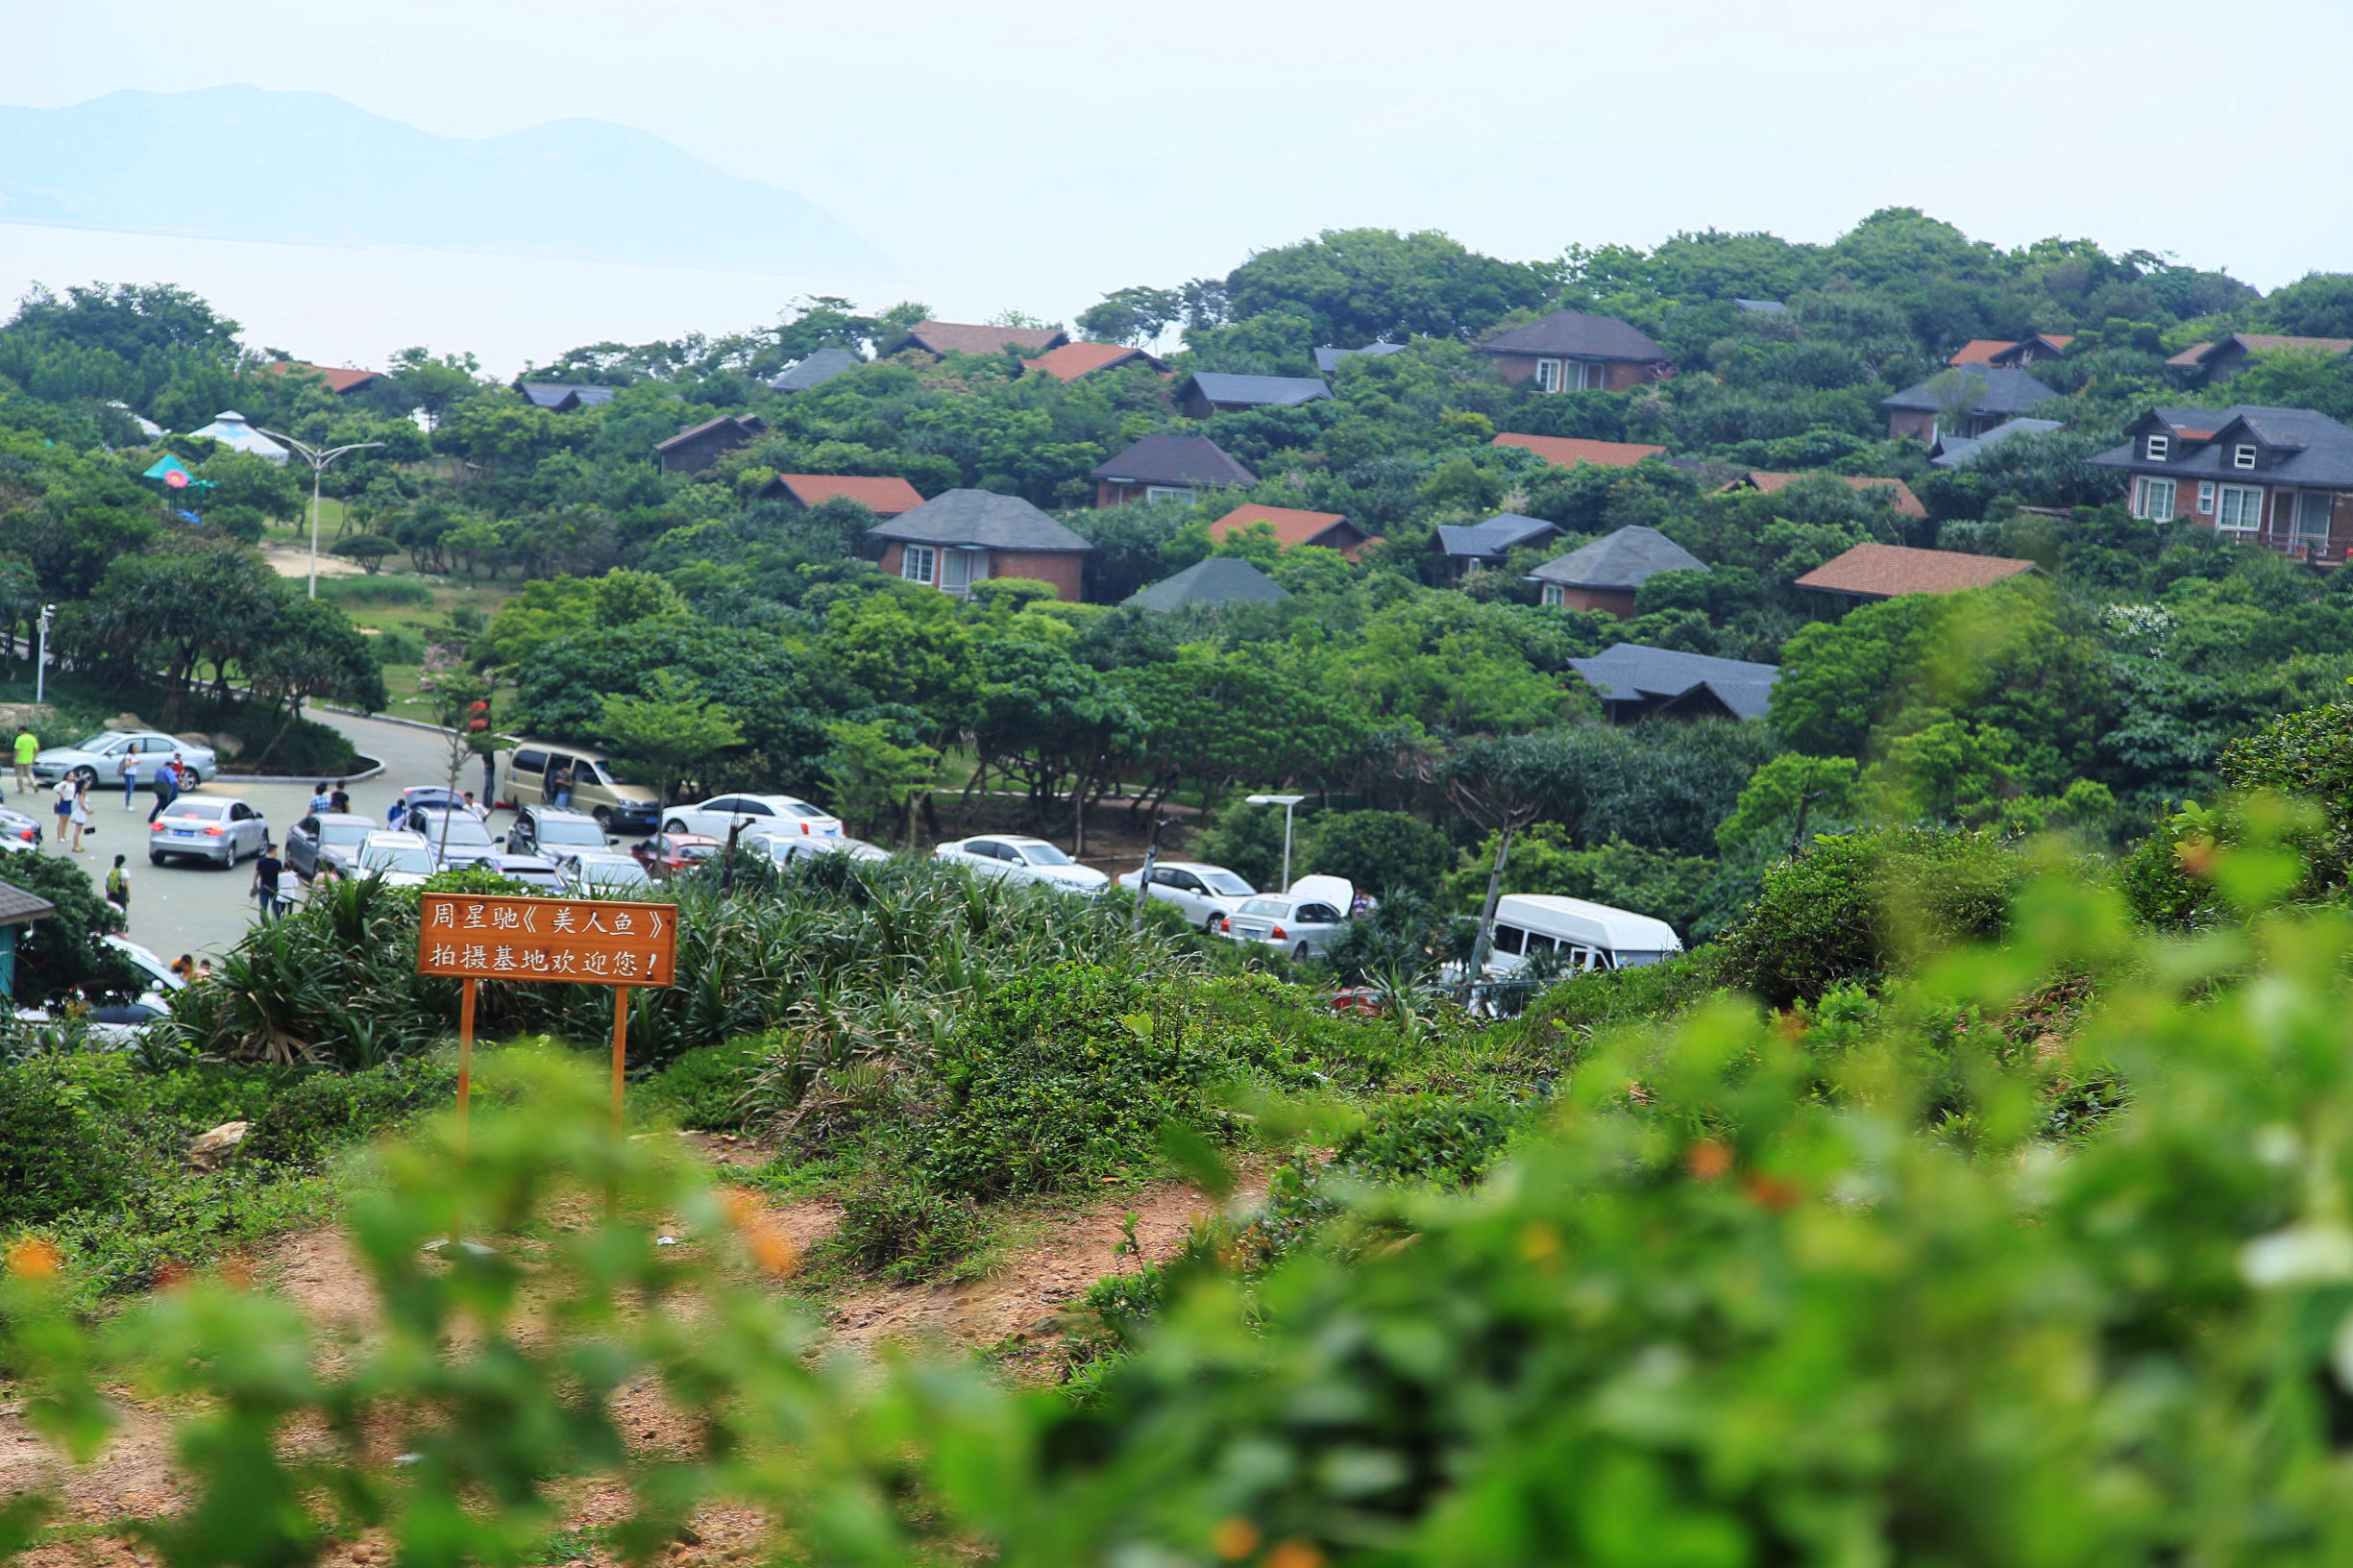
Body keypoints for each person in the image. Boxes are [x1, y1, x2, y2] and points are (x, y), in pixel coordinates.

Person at [251, 839, 285, 921]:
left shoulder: (261, 862)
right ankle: (277, 923)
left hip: (264, 887)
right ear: (273, 851)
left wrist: (254, 884)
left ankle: (264, 924)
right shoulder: (277, 863)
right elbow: (280, 875)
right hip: (274, 888)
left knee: (263, 908)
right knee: (276, 908)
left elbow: (257, 874)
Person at [148, 755, 181, 822]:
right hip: (164, 787)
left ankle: (164, 818)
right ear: (171, 764)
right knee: (161, 803)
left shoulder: (159, 769)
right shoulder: (168, 770)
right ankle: (151, 818)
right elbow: (173, 780)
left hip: (156, 786)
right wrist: (182, 785)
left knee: (163, 803)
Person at [104, 854, 129, 923]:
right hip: (120, 892)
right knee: (121, 908)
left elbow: (107, 883)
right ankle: (121, 923)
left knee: (112, 908)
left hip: (111, 892)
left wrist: (107, 894)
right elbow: (126, 885)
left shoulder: (110, 870)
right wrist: (128, 896)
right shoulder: (124, 871)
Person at [53, 773, 75, 848]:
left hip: (70, 802)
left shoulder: (73, 784)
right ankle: (59, 836)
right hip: (64, 802)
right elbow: (55, 788)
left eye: (73, 776)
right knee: (62, 820)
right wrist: (61, 795)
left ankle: (64, 835)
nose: (72, 777)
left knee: (66, 821)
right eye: (70, 776)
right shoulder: (64, 783)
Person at [11, 725, 34, 796]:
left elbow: (17, 749)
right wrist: (34, 757)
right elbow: (37, 748)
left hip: (20, 759)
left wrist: (15, 758)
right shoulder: (32, 738)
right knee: (29, 773)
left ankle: (20, 788)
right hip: (29, 759)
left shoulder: (19, 738)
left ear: (21, 731)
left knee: (19, 774)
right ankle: (34, 783)